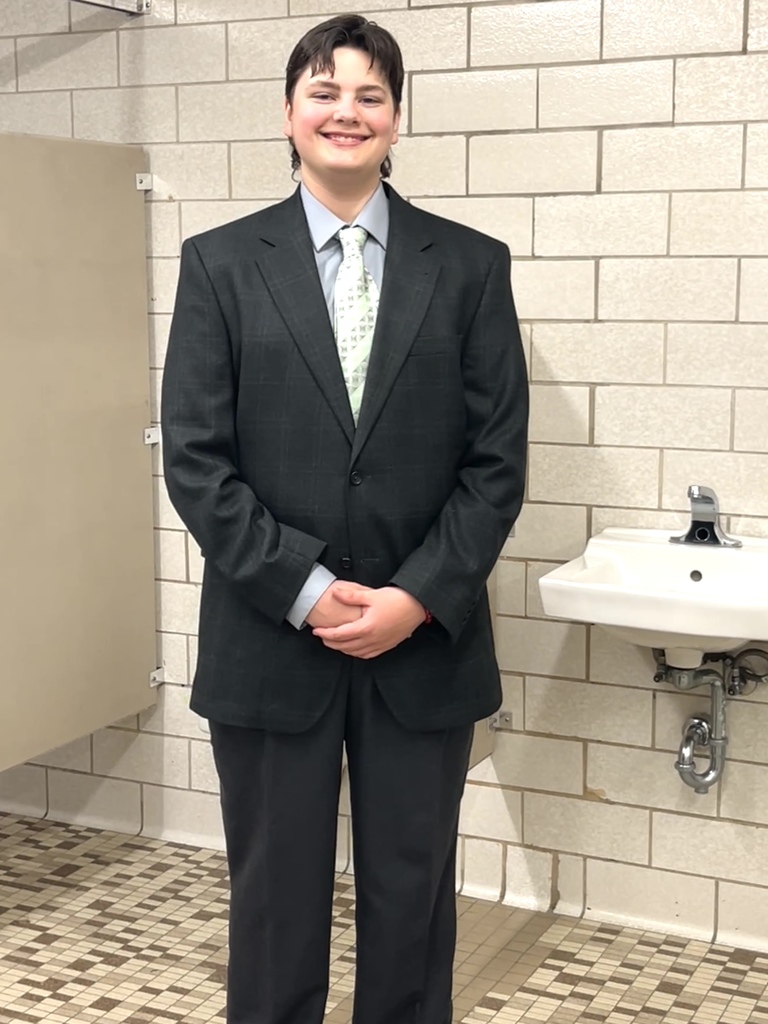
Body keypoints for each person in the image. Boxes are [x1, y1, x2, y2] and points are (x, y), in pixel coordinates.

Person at [161, 13, 528, 1024]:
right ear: (289, 113)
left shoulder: (471, 266)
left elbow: (497, 464)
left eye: (370, 95)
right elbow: (196, 461)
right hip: (270, 642)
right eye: (324, 92)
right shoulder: (221, 265)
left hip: (425, 645)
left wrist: (416, 594)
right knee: (273, 907)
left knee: (412, 906)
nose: (346, 112)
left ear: (397, 119)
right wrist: (308, 588)